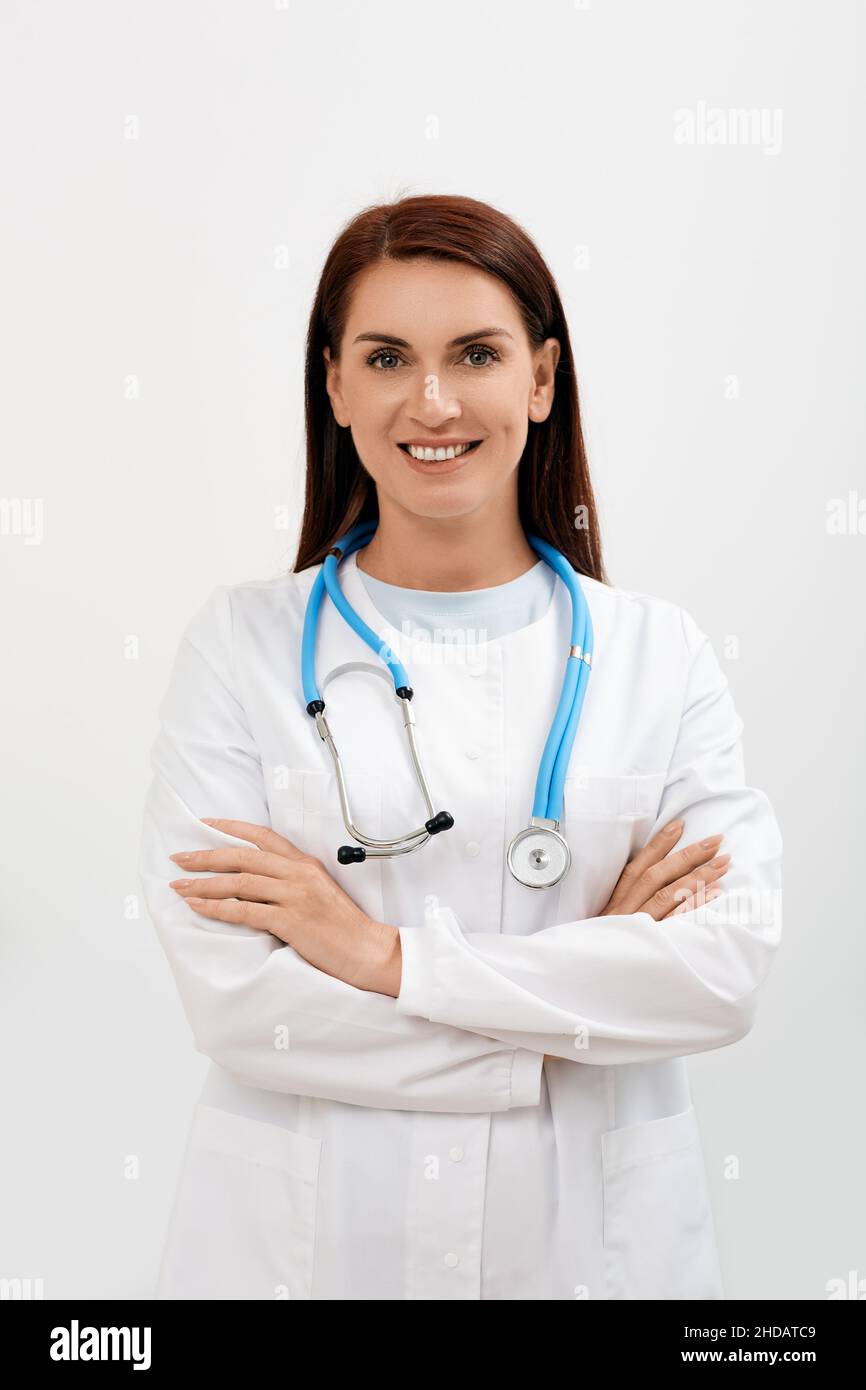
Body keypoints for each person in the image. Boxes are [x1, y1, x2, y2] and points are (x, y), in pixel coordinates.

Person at [138, 193, 783, 1301]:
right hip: (310, 1249)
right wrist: (577, 1015)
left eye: (475, 354)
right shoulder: (240, 647)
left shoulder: (659, 655)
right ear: (335, 386)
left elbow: (715, 978)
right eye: (387, 357)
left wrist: (380, 957)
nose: (430, 402)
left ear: (541, 379)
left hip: (587, 1253)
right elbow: (242, 1007)